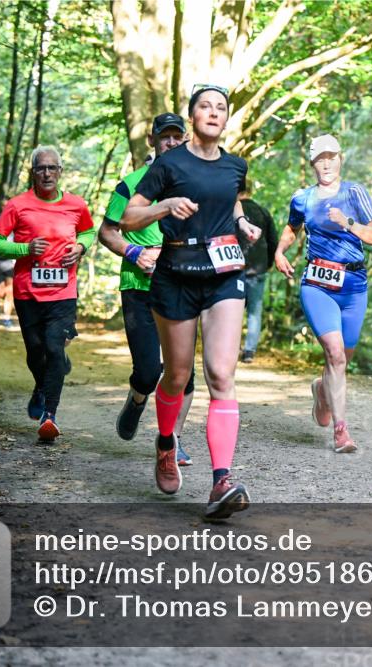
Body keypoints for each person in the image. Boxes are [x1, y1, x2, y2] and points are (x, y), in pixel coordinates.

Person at [121, 84, 261, 520]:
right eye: (206, 106)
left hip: (224, 273)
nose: (214, 113)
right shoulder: (168, 163)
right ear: (193, 115)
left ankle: (221, 480)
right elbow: (129, 219)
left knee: (221, 373)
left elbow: (232, 204)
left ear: (226, 118)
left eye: (221, 108)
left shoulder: (236, 166)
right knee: (177, 376)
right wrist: (165, 206)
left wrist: (244, 225)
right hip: (176, 275)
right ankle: (166, 443)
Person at [274, 134, 372, 454]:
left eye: (331, 156)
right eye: (319, 158)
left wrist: (346, 222)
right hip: (317, 283)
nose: (326, 163)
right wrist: (280, 251)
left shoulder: (354, 192)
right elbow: (292, 228)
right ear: (312, 164)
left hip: (353, 285)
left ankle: (322, 389)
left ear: (340, 159)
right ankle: (341, 431)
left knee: (342, 360)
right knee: (334, 353)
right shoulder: (303, 198)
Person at [99, 112, 194, 465]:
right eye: (164, 136)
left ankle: (173, 441)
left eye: (176, 136)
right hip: (139, 288)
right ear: (152, 141)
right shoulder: (131, 185)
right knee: (149, 371)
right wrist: (135, 252)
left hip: (181, 288)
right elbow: (107, 231)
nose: (171, 142)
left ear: (185, 140)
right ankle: (137, 399)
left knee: (184, 370)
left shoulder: (192, 183)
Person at [0, 145, 95, 442]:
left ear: (60, 172)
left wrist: (81, 247)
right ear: (33, 173)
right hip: (27, 292)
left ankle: (50, 414)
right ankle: (41, 385)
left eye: (52, 168)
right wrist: (24, 248)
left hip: (63, 292)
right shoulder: (17, 205)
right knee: (36, 351)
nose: (46, 173)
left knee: (54, 349)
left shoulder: (76, 204)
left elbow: (88, 231)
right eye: (40, 168)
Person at [235, 180, 278, 363]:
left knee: (233, 311)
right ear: (251, 191)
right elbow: (273, 241)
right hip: (258, 269)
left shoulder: (232, 212)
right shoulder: (263, 212)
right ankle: (249, 352)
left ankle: (232, 348)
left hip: (234, 268)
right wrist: (267, 264)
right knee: (254, 311)